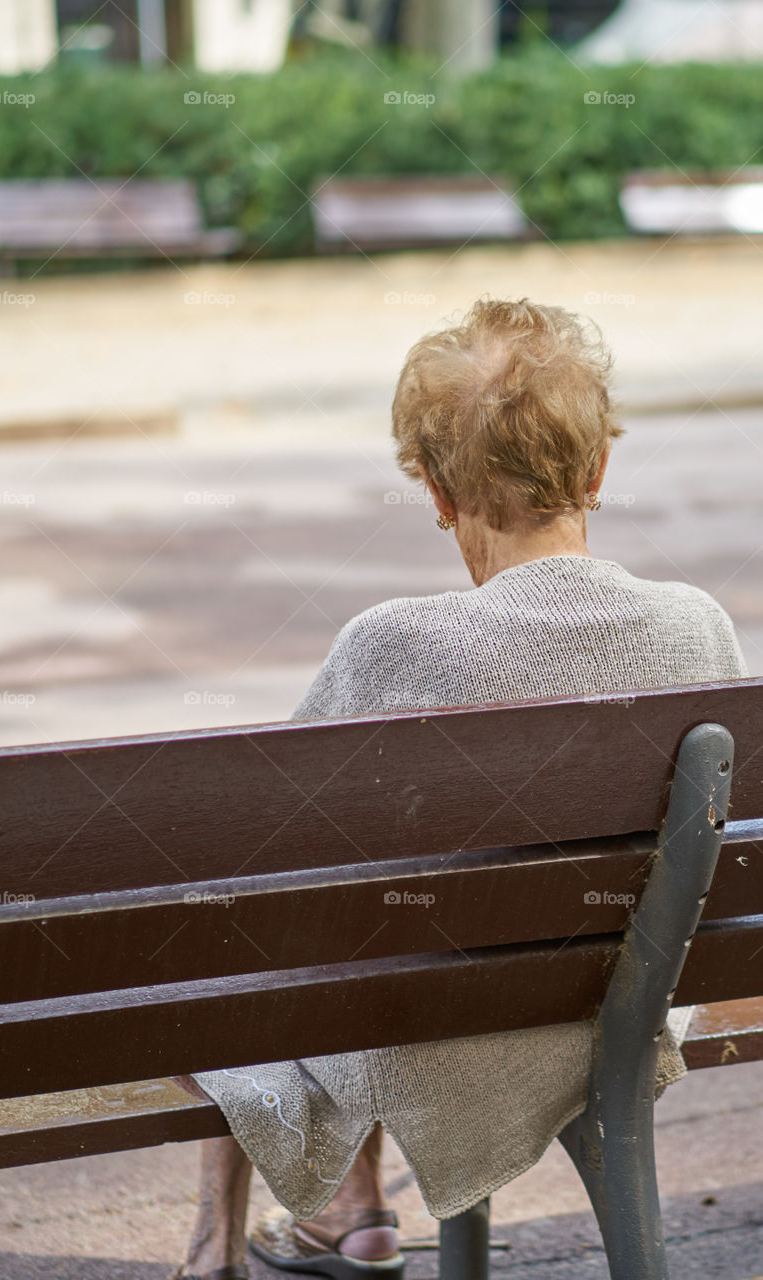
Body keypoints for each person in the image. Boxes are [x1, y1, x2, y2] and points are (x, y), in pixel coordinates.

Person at [170, 298, 748, 1280]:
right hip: (607, 1013)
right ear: (597, 469)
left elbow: (269, 861)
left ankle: (263, 1227)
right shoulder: (694, 630)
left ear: (436, 491)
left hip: (432, 1039)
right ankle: (345, 1207)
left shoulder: (393, 645)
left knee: (212, 924)